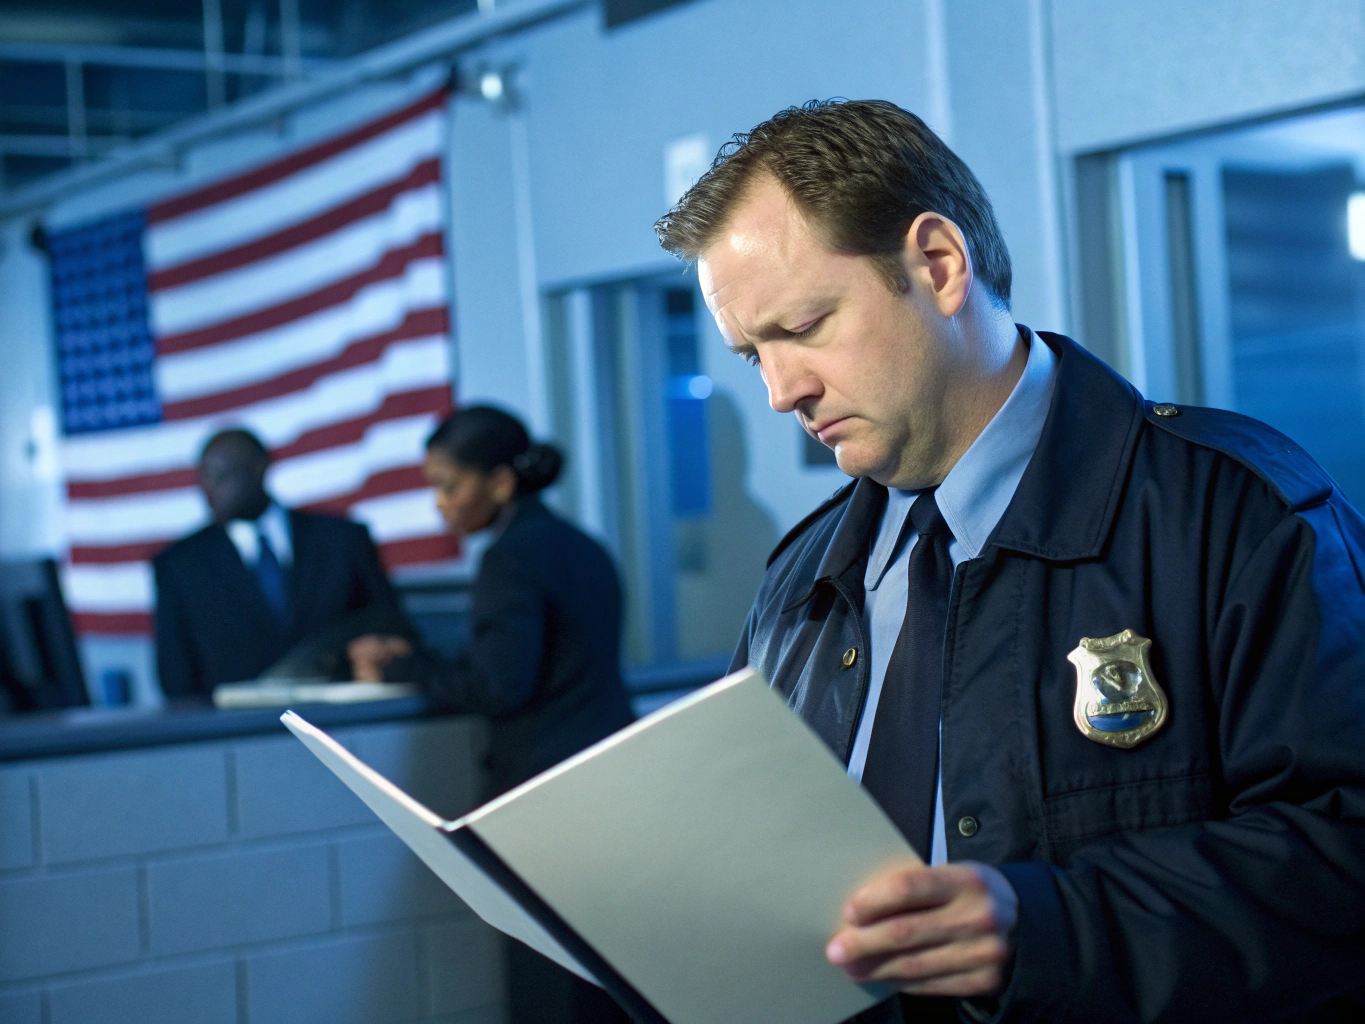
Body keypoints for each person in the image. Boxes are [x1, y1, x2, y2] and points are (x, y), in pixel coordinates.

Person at [654, 100, 1365, 1023]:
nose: (783, 392)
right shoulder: (799, 579)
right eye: (753, 355)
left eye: (805, 326)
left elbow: (1342, 852)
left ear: (938, 265)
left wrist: (1051, 927)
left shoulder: (1232, 510)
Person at [348, 404, 635, 1024]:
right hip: (609, 781)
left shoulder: (508, 557)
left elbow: (500, 681)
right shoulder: (581, 545)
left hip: (539, 796)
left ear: (501, 481)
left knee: (548, 983)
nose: (440, 506)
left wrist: (400, 668)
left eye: (448, 487)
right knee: (603, 980)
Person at [153, 429, 405, 698]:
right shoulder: (179, 566)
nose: (209, 490)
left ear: (259, 469)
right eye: (203, 479)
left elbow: (393, 628)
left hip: (345, 723)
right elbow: (177, 681)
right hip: (238, 732)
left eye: (221, 476)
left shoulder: (341, 540)